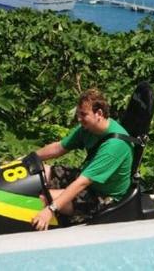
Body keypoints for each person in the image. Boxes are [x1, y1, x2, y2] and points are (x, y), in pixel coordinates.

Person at [31, 88, 133, 231]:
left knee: (42, 199)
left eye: (83, 115)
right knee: (39, 171)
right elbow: (59, 148)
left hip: (103, 196)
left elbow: (82, 182)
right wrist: (27, 160)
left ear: (99, 114)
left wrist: (50, 209)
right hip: (86, 180)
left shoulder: (115, 146)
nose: (79, 119)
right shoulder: (88, 128)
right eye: (78, 114)